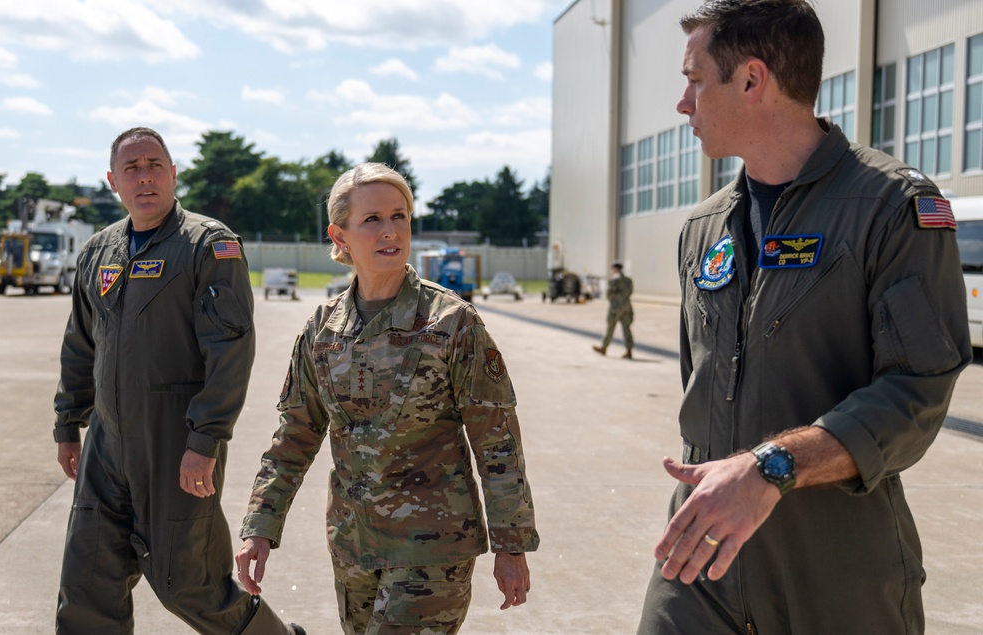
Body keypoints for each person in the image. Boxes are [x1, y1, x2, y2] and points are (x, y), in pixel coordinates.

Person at [637, 0, 971, 635]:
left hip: (835, 567)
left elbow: (918, 389)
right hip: (703, 558)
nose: (683, 103)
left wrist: (771, 466)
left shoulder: (891, 207)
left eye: (695, 80)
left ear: (752, 80)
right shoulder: (703, 228)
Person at [236, 162, 540, 634]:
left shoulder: (451, 323)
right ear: (339, 236)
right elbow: (295, 435)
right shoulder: (322, 328)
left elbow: (497, 442)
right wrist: (260, 525)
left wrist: (511, 543)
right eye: (372, 219)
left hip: (432, 548)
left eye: (400, 216)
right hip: (353, 545)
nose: (389, 231)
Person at [53, 127, 303, 634]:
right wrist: (67, 422)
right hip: (106, 442)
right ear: (113, 182)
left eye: (154, 165)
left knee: (187, 582)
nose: (144, 177)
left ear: (173, 173)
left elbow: (230, 352)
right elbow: (81, 343)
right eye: (132, 168)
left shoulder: (208, 245)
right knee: (87, 581)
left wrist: (206, 439)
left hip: (175, 440)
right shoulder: (99, 252)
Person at [592, 261, 634, 358]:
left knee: (610, 328)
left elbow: (609, 295)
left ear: (615, 269)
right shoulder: (628, 280)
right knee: (626, 328)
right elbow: (630, 292)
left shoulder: (614, 280)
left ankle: (604, 347)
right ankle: (629, 350)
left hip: (615, 307)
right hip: (627, 306)